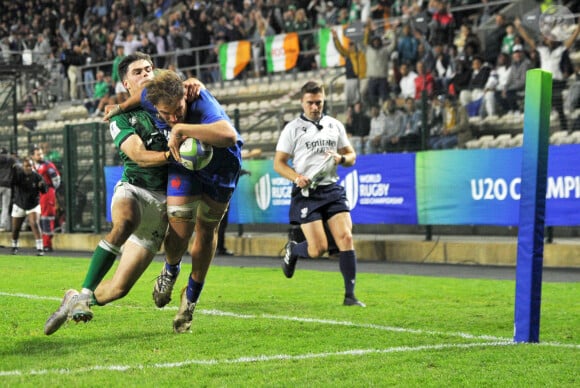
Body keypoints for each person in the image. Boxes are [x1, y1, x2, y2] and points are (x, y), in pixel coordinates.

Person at [44, 52, 174, 336]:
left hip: (164, 205)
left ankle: (75, 299)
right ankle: (85, 291)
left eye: (149, 68)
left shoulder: (169, 104)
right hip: (135, 189)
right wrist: (173, 154)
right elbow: (138, 155)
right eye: (138, 71)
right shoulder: (121, 116)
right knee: (125, 221)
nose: (147, 74)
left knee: (118, 290)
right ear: (126, 83)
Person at [143, 70, 243, 333]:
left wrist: (181, 128)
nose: (174, 116)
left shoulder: (199, 99)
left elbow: (229, 135)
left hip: (222, 166)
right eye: (167, 114)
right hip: (184, 165)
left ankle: (190, 299)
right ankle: (170, 269)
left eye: (179, 109)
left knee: (207, 229)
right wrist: (117, 107)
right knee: (179, 227)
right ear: (155, 106)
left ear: (184, 95)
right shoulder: (150, 98)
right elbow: (133, 98)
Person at [273, 80, 365, 307]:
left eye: (319, 102)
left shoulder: (335, 125)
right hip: (307, 192)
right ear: (302, 102)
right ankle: (294, 249)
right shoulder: (292, 129)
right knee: (318, 249)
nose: (315, 107)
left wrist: (342, 159)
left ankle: (350, 295)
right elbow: (279, 163)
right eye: (310, 103)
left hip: (332, 188)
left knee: (346, 237)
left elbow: (351, 156)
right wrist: (296, 177)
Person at [515, 18, 580, 131]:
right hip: (544, 81)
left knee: (559, 108)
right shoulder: (541, 49)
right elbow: (528, 39)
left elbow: (572, 39)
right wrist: (519, 27)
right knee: (541, 107)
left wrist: (578, 27)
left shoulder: (560, 49)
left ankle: (564, 130)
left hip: (557, 81)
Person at [10, 157, 47, 256]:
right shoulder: (18, 175)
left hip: (33, 204)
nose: (28, 168)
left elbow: (44, 190)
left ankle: (40, 248)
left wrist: (42, 186)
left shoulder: (37, 176)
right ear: (23, 167)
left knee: (34, 223)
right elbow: (11, 183)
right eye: (26, 166)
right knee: (15, 228)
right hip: (19, 204)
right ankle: (14, 246)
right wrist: (13, 171)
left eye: (30, 165)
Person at [31, 145, 61, 252]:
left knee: (47, 218)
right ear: (32, 156)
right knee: (37, 219)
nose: (40, 156)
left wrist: (51, 190)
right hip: (36, 194)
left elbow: (56, 180)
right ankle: (41, 242)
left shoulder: (48, 165)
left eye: (41, 154)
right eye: (38, 154)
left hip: (47, 193)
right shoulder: (32, 167)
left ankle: (47, 243)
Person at [0, 148, 16, 232]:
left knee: (2, 207)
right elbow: (17, 167)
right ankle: (2, 225)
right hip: (7, 185)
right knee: (5, 207)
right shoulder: (11, 159)